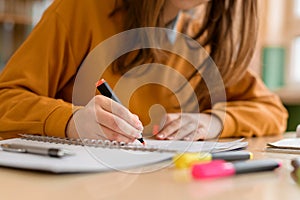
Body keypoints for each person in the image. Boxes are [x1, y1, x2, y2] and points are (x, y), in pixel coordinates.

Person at [0, 0, 288, 142]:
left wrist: (211, 122)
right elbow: (6, 99)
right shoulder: (82, 8)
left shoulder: (202, 40)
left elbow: (272, 111)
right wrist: (71, 122)